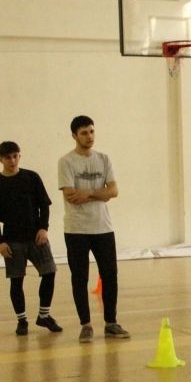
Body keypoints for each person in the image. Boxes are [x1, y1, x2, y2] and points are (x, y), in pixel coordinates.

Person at [58, 116, 130, 343]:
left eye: (91, 132)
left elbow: (114, 191)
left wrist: (88, 192)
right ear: (74, 136)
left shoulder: (104, 159)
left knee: (110, 275)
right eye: (84, 133)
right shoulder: (66, 162)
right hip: (76, 228)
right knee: (79, 278)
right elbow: (71, 195)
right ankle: (86, 325)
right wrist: (101, 192)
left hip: (103, 227)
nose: (89, 137)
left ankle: (111, 322)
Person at [0, 141, 62, 336]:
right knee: (16, 280)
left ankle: (44, 315)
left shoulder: (31, 177)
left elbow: (44, 205)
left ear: (20, 156)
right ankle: (21, 320)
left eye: (15, 156)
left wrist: (44, 228)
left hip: (36, 237)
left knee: (49, 272)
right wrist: (0, 242)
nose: (12, 160)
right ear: (0, 159)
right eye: (8, 157)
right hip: (12, 241)